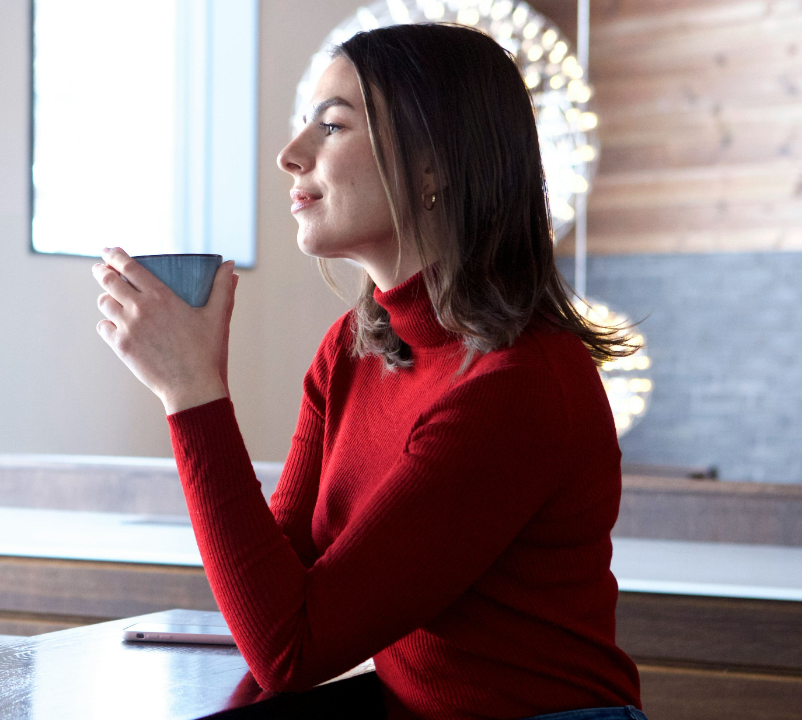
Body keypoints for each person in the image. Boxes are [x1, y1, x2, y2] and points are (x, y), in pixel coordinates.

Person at [91, 23, 645, 720]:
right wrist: (188, 389)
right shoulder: (352, 349)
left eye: (331, 126)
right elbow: (275, 595)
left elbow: (291, 649)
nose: (290, 156)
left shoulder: (519, 385)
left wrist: (191, 392)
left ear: (433, 165)